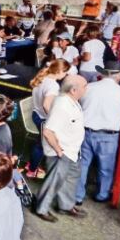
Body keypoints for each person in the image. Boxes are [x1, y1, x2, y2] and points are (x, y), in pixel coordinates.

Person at [35, 75, 88, 222]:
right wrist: (59, 151)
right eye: (84, 86)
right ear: (73, 90)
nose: (87, 89)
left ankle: (65, 206)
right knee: (54, 181)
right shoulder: (62, 105)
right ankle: (41, 209)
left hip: (72, 149)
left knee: (70, 179)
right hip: (61, 151)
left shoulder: (73, 101)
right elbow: (48, 131)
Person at [74, 61, 120, 204]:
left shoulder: (88, 88)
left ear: (102, 73)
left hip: (84, 131)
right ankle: (102, 195)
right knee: (106, 168)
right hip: (108, 135)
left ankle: (77, 196)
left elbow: (78, 106)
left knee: (82, 165)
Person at [25, 59, 71, 179]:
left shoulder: (42, 78)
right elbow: (46, 105)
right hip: (43, 118)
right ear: (59, 71)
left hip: (36, 114)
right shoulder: (53, 85)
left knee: (40, 142)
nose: (66, 75)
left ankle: (32, 163)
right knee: (42, 145)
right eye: (65, 72)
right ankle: (32, 170)